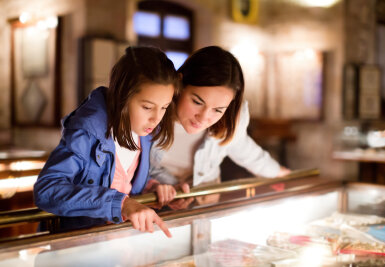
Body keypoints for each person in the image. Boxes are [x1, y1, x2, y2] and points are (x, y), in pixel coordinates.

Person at [34, 46, 180, 237]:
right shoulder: (86, 133)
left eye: (164, 107)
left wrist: (152, 187)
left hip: (116, 243)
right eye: (147, 107)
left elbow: (124, 183)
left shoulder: (145, 134)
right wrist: (120, 203)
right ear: (122, 96)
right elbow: (47, 190)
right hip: (75, 246)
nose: (156, 118)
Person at [147, 46, 290, 207]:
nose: (203, 117)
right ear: (180, 83)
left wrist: (279, 173)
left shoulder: (231, 119)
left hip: (205, 204)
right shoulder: (151, 111)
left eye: (218, 110)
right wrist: (158, 187)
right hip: (152, 203)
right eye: (197, 102)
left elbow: (245, 150)